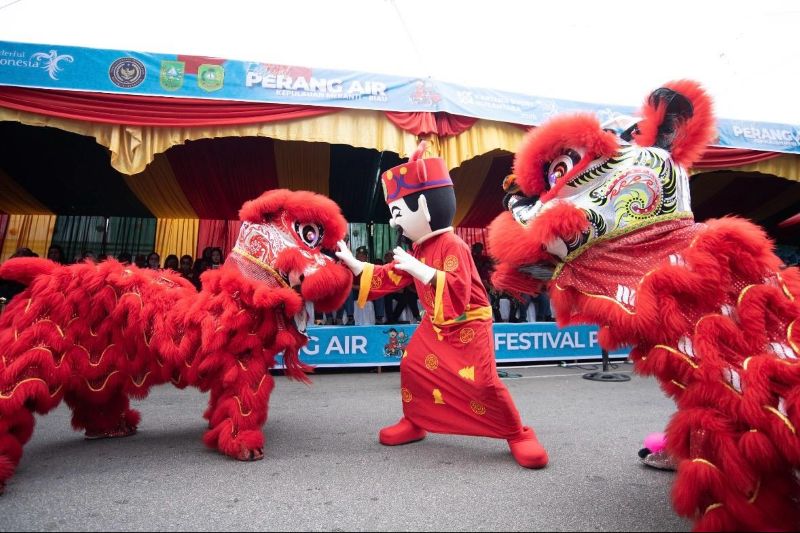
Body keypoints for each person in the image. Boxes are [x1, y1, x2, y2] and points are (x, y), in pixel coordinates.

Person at [336, 142, 548, 469]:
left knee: (483, 383)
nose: (393, 222)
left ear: (423, 205)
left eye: (397, 213)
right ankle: (416, 420)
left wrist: (419, 269)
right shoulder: (419, 249)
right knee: (413, 366)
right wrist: (355, 265)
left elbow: (458, 288)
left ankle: (517, 433)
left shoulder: (453, 244)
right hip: (436, 324)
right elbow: (391, 275)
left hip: (468, 324)